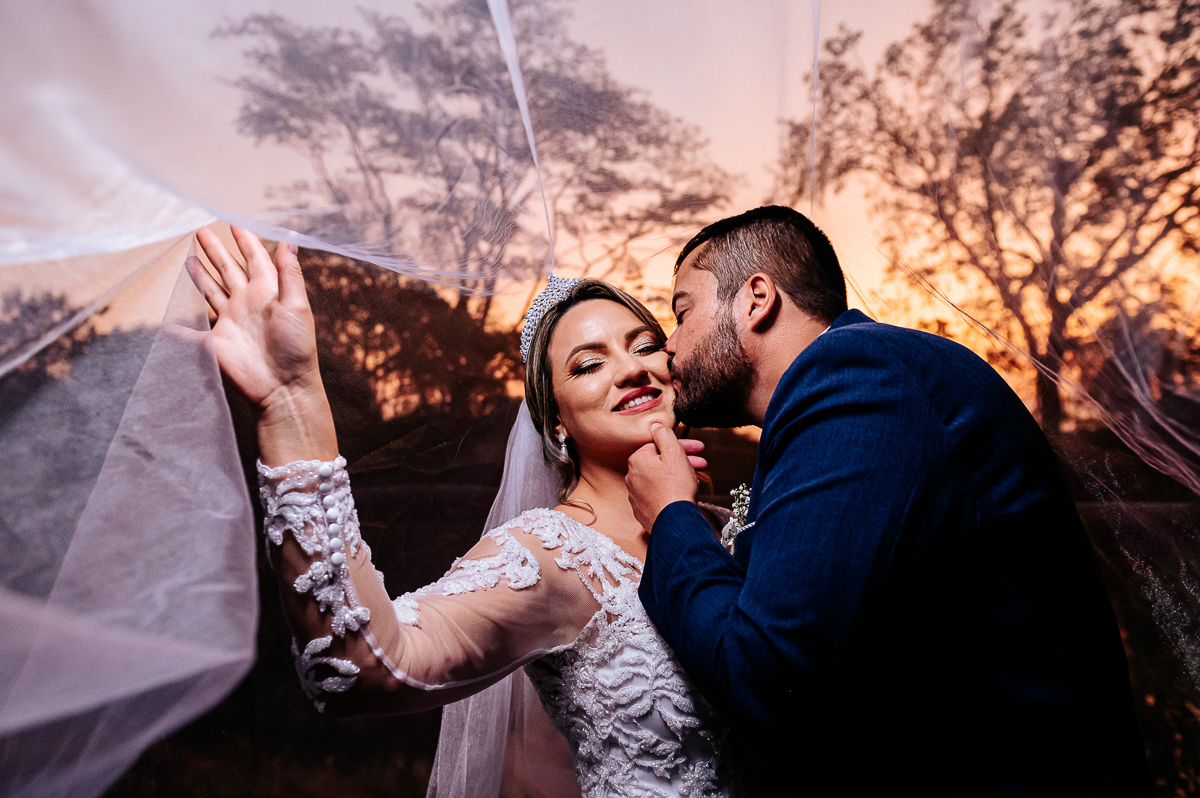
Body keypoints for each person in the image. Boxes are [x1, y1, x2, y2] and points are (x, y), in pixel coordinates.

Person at [184, 226, 739, 798]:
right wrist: (289, 400)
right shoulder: (552, 557)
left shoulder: (730, 530)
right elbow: (362, 667)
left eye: (645, 345)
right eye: (587, 365)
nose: (632, 369)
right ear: (556, 423)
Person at [625, 206, 1153, 796]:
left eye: (682, 311)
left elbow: (769, 683)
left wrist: (671, 513)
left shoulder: (855, 374)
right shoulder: (861, 381)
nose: (668, 346)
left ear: (755, 299)